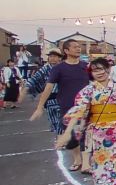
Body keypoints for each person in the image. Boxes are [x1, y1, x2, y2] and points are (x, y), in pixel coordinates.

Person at [31, 39, 90, 171]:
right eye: (75, 47)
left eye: (79, 47)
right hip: (67, 107)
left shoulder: (86, 66)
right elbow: (48, 87)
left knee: (87, 135)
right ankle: (77, 159)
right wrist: (40, 107)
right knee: (72, 137)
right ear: (66, 51)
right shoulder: (59, 68)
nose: (78, 49)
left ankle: (86, 163)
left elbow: (98, 82)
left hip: (86, 107)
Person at [20, 48, 62, 132]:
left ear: (59, 58)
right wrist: (25, 90)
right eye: (50, 56)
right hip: (51, 100)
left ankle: (62, 141)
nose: (52, 58)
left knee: (65, 124)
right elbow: (34, 79)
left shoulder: (64, 68)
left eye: (55, 56)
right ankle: (60, 141)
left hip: (64, 99)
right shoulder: (45, 69)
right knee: (56, 124)